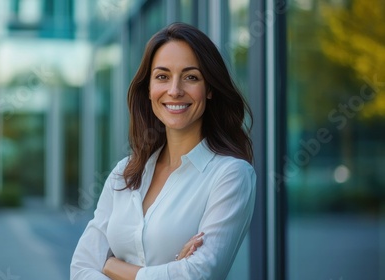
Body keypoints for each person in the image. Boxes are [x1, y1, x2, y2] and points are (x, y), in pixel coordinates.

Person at [70, 22, 256, 280]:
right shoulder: (123, 173)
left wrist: (113, 267)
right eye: (162, 76)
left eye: (191, 77)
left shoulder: (230, 175)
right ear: (148, 89)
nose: (175, 90)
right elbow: (80, 268)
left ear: (210, 89)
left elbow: (199, 274)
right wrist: (173, 267)